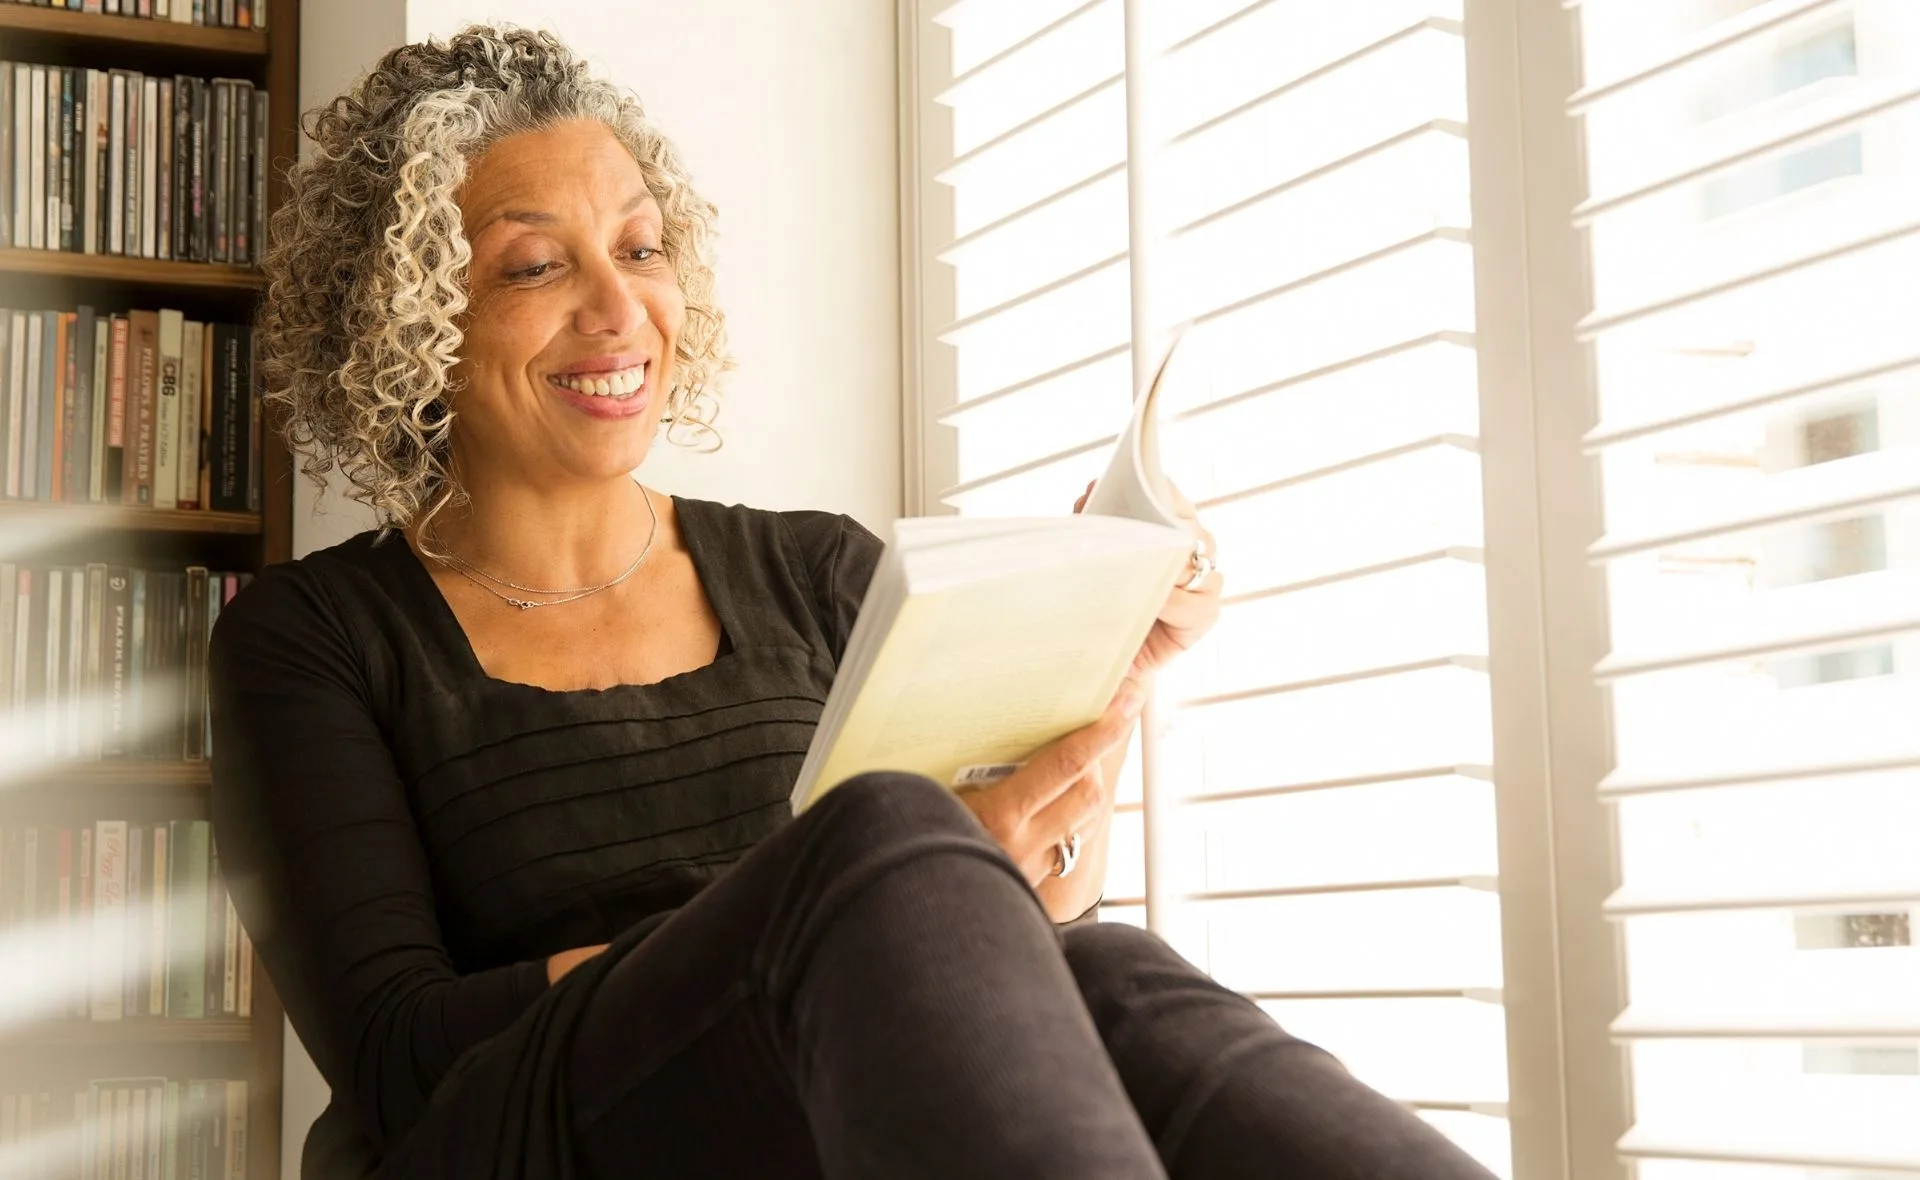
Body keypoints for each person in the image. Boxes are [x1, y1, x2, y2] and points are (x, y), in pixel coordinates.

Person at [209, 24, 1498, 1180]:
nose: (621, 309)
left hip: (814, 1099)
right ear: (412, 318)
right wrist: (823, 920)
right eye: (537, 267)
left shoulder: (818, 572)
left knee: (1104, 971)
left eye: (644, 248)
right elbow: (396, 1054)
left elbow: (1018, 928)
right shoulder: (311, 638)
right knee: (885, 850)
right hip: (521, 1139)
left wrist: (1083, 709)